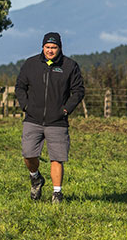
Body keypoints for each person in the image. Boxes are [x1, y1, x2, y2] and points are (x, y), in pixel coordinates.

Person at [15, 32, 85, 204]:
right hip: (33, 119)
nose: (50, 51)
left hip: (58, 121)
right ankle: (36, 177)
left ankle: (57, 194)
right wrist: (26, 106)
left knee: (57, 158)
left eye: (54, 47)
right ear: (42, 47)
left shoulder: (70, 66)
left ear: (60, 48)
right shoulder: (31, 64)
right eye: (47, 47)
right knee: (28, 154)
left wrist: (66, 110)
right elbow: (20, 87)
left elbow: (78, 91)